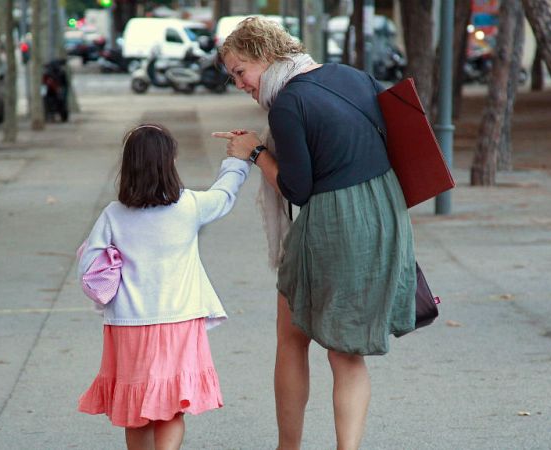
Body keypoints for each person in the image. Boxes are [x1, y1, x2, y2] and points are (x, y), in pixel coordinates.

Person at [212, 17, 416, 450]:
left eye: (240, 72)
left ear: (265, 56)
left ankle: (289, 448)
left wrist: (254, 151)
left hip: (334, 222)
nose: (240, 84)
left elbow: (296, 188)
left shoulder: (287, 105)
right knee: (347, 352)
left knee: (291, 337)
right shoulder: (350, 75)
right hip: (384, 211)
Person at [77, 123, 250, 450]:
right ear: (169, 163)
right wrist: (238, 161)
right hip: (179, 322)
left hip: (128, 324)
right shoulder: (189, 206)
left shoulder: (113, 215)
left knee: (134, 408)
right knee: (171, 406)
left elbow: (90, 266)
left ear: (128, 167)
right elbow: (225, 194)